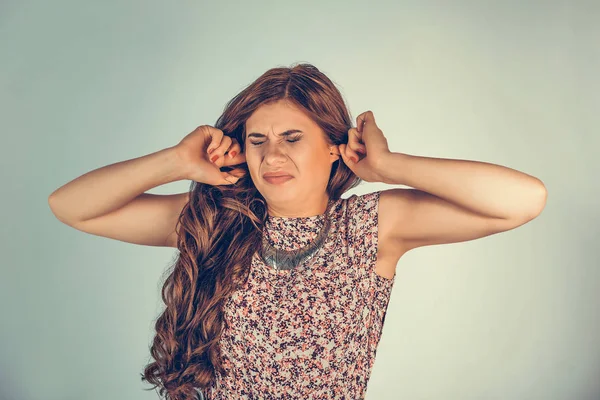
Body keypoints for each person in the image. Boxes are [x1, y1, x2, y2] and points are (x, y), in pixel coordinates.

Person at [48, 63, 547, 399]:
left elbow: (524, 200)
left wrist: (392, 165)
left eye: (292, 138)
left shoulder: (371, 226)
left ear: (334, 146)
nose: (273, 155)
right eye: (257, 140)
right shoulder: (216, 220)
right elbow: (72, 207)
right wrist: (176, 161)